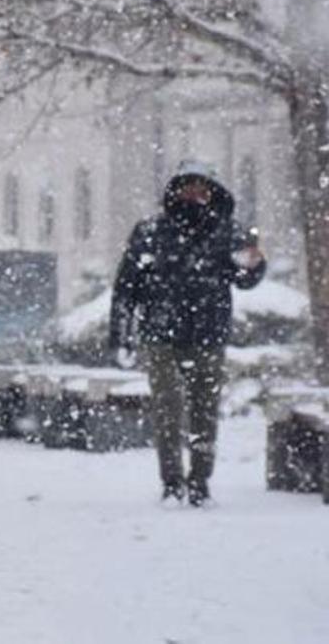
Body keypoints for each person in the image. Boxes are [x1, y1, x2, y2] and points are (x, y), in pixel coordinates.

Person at [110, 159, 266, 507]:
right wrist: (121, 335)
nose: (195, 194)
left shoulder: (226, 232)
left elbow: (244, 278)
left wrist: (255, 265)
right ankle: (171, 480)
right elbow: (126, 288)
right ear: (176, 191)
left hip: (208, 333)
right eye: (188, 186)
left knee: (204, 410)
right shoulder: (150, 232)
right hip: (160, 333)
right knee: (167, 409)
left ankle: (199, 480)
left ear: (211, 192)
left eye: (201, 187)